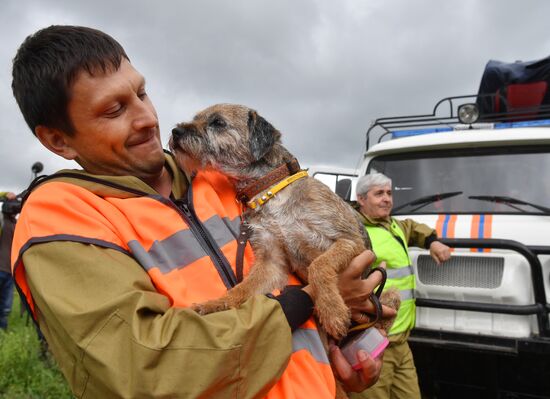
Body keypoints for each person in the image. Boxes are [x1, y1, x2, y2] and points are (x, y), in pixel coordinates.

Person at [10, 25, 392, 398]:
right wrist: (306, 300)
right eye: (114, 110)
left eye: (142, 93)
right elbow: (148, 369)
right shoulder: (60, 220)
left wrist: (342, 368)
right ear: (58, 140)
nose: (147, 119)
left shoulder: (224, 181)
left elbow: (329, 276)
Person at [351, 172, 451, 399]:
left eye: (389, 193)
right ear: (361, 199)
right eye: (379, 194)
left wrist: (432, 242)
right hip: (371, 343)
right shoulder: (354, 232)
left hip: (401, 341)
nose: (387, 199)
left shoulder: (394, 225)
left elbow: (414, 227)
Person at [0, 191, 17, 330]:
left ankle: (3, 332)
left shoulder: (16, 224)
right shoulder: (1, 220)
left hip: (10, 271)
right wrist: (6, 194)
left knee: (6, 307)